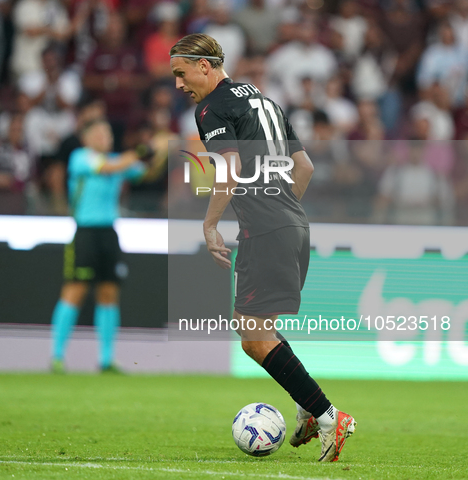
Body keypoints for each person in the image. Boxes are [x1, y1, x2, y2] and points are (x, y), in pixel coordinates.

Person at [169, 33, 356, 463]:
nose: (178, 85)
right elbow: (304, 166)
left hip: (267, 231)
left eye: (181, 74)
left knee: (253, 338)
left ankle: (329, 416)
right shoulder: (265, 101)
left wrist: (211, 223)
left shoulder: (213, 107)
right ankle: (311, 408)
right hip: (293, 225)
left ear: (204, 66)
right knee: (256, 328)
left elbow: (229, 170)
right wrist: (283, 210)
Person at [50, 120, 152, 374]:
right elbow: (111, 167)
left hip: (109, 233)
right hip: (85, 233)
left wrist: (156, 149)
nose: (104, 137)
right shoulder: (81, 158)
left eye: (106, 133)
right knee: (75, 290)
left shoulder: (119, 160)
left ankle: (106, 360)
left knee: (108, 294)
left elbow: (144, 171)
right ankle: (57, 357)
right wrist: (140, 151)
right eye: (98, 133)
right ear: (87, 138)